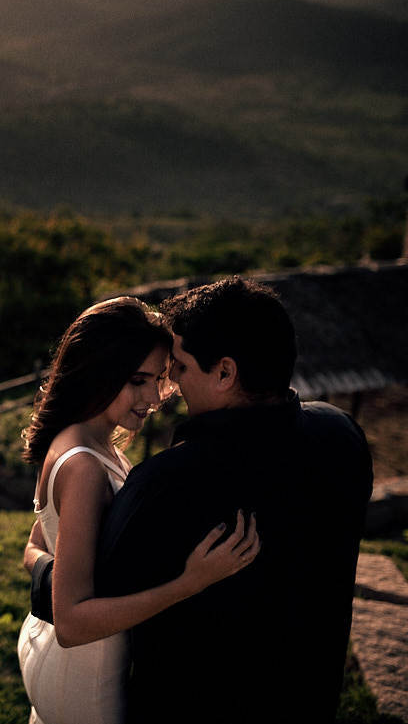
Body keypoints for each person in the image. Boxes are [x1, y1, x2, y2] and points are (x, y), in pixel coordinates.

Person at [88, 277, 373, 723]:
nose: (172, 384)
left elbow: (87, 601)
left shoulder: (167, 484)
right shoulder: (341, 437)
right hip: (306, 701)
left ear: (224, 372)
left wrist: (37, 559)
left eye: (180, 366)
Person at [15, 296, 260, 724]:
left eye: (159, 379)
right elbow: (72, 624)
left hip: (59, 649)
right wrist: (190, 582)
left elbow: (37, 542)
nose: (153, 397)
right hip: (85, 671)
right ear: (99, 371)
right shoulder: (85, 466)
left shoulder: (81, 438)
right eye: (137, 380)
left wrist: (58, 579)